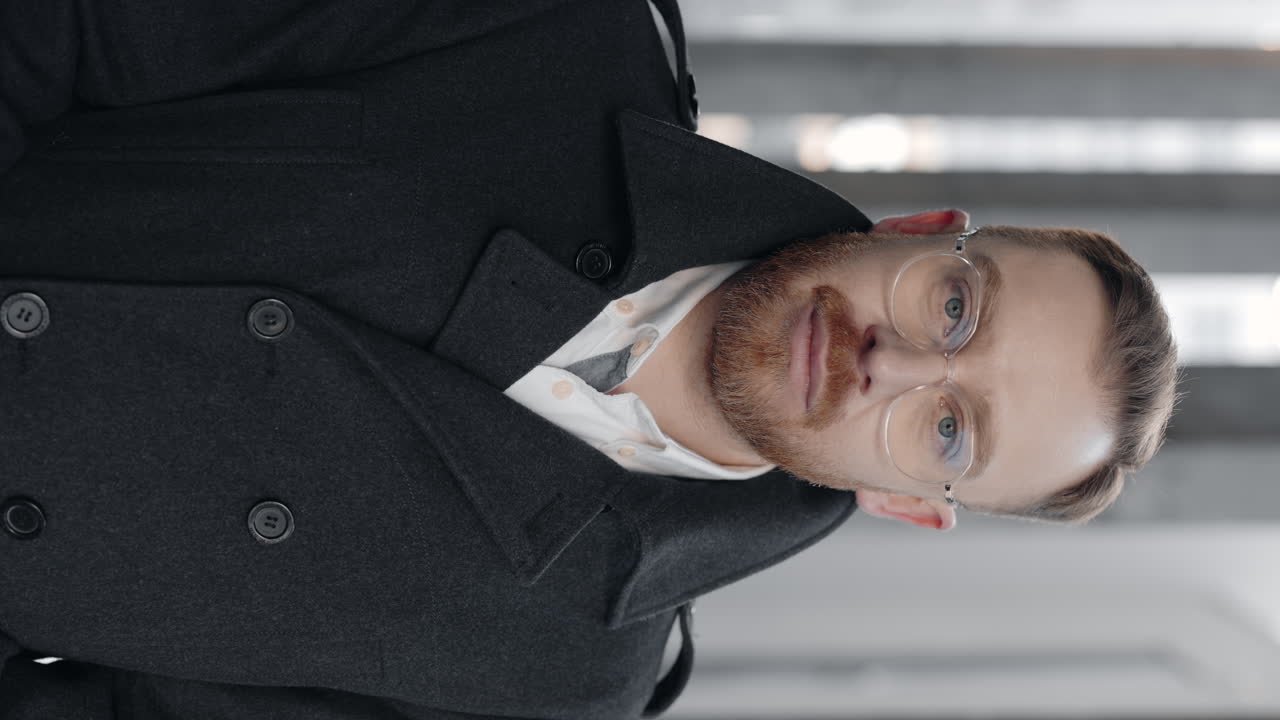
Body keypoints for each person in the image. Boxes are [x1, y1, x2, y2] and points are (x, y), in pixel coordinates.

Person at [0, 0, 1179, 717]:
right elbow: (75, 27)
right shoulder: (552, 37)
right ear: (918, 235)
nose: (895, 366)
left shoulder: (557, 684)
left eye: (948, 432)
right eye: (956, 312)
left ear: (905, 503)